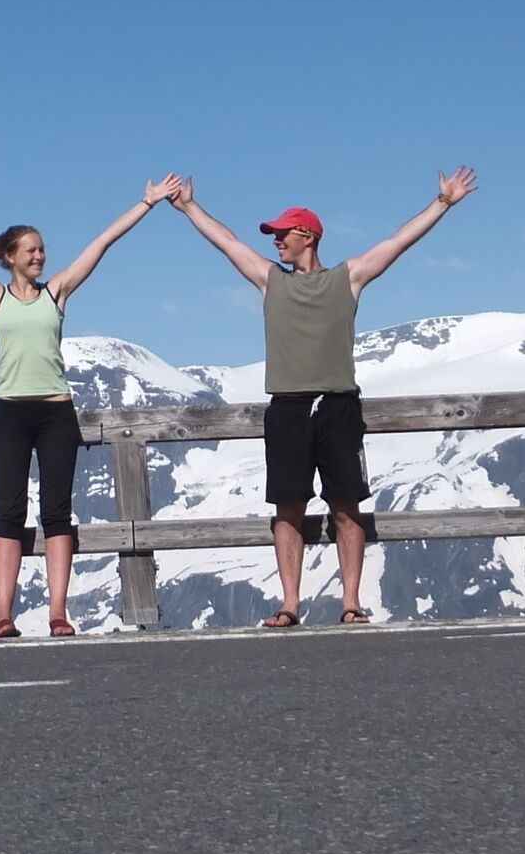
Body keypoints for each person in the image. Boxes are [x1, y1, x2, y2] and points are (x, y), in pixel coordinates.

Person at [0, 163, 184, 638]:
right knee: (9, 514)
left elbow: (101, 244)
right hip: (10, 414)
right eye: (32, 249)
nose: (41, 255)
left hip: (56, 412)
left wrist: (146, 203)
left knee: (58, 514)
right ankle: (4, 615)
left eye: (42, 249)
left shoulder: (56, 293)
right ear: (10, 257)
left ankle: (58, 613)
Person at [168, 168, 478, 627]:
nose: (275, 241)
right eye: (273, 235)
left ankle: (350, 602)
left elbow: (396, 243)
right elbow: (228, 243)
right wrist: (189, 207)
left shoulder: (347, 278)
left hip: (337, 405)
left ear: (307, 236)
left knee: (346, 505)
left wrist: (443, 204)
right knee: (288, 506)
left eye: (281, 234)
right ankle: (290, 604)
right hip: (288, 406)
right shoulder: (271, 280)